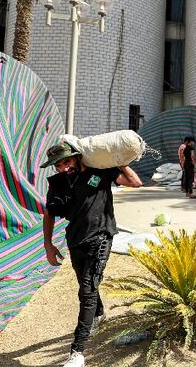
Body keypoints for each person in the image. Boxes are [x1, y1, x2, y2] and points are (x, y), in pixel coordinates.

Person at [41, 141, 142, 367]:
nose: (63, 168)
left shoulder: (101, 173)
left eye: (66, 162)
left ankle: (77, 353)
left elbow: (135, 182)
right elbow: (49, 214)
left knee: (87, 290)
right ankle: (98, 316)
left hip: (101, 237)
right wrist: (48, 245)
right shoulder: (57, 183)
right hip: (75, 240)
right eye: (58, 165)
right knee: (85, 286)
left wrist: (121, 162)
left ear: (77, 157)